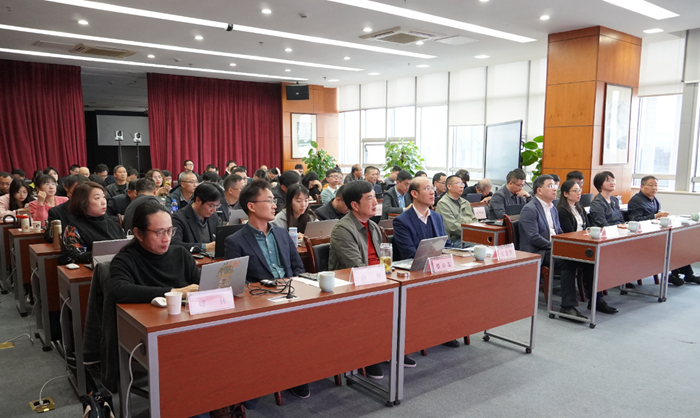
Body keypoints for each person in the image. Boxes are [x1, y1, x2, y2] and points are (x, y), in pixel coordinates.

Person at [329, 180, 417, 373]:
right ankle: (370, 354)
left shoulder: (373, 226)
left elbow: (382, 260)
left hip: (377, 278)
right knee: (384, 301)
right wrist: (384, 277)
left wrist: (390, 274)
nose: (376, 202)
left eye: (375, 197)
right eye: (369, 199)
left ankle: (390, 348)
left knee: (409, 294)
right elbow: (356, 267)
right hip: (353, 285)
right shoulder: (343, 229)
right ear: (355, 205)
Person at [555, 179, 618, 317]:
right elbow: (569, 234)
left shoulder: (579, 208)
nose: (579, 193)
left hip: (583, 244)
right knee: (571, 263)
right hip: (572, 247)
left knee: (595, 261)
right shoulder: (561, 210)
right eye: (575, 191)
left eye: (580, 190)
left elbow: (587, 227)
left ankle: (596, 300)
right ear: (565, 194)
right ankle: (568, 306)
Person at [628, 176, 700, 286]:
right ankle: (681, 275)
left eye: (656, 185)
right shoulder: (636, 201)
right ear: (642, 186)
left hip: (655, 234)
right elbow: (635, 220)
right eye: (650, 185)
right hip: (643, 237)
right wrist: (656, 216)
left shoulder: (654, 199)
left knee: (677, 244)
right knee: (672, 246)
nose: (654, 188)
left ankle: (679, 274)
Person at [60, 182, 125, 264]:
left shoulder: (113, 224)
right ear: (82, 202)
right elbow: (72, 256)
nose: (103, 202)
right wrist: (101, 254)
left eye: (104, 197)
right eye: (97, 198)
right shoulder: (73, 228)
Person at [393, 176, 452, 260]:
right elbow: (409, 252)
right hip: (415, 265)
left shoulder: (437, 217)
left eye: (432, 188)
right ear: (414, 194)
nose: (432, 192)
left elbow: (446, 244)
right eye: (427, 189)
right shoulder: (401, 221)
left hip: (438, 263)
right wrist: (435, 254)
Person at [171, 182, 221, 254]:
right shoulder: (178, 218)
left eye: (217, 206)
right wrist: (204, 247)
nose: (214, 210)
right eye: (211, 206)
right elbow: (174, 244)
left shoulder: (213, 215)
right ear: (198, 200)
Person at [43, 174, 88, 243]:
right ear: (68, 191)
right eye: (77, 191)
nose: (81, 195)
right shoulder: (57, 212)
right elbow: (49, 237)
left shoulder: (96, 209)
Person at [436, 175, 476, 247]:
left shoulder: (465, 202)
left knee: (489, 243)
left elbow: (474, 220)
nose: (462, 186)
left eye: (462, 184)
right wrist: (472, 233)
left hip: (469, 236)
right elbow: (453, 228)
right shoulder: (443, 203)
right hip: (453, 240)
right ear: (449, 186)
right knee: (479, 246)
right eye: (458, 184)